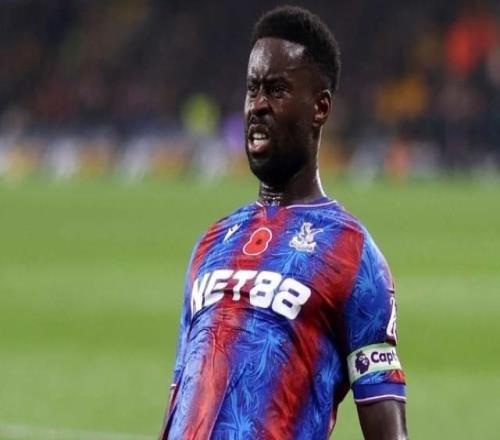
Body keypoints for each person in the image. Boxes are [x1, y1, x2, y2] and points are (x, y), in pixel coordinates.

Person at [160, 6, 407, 439]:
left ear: (320, 108)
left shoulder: (353, 255)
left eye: (276, 90)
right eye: (252, 88)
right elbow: (179, 401)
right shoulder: (211, 244)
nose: (258, 105)